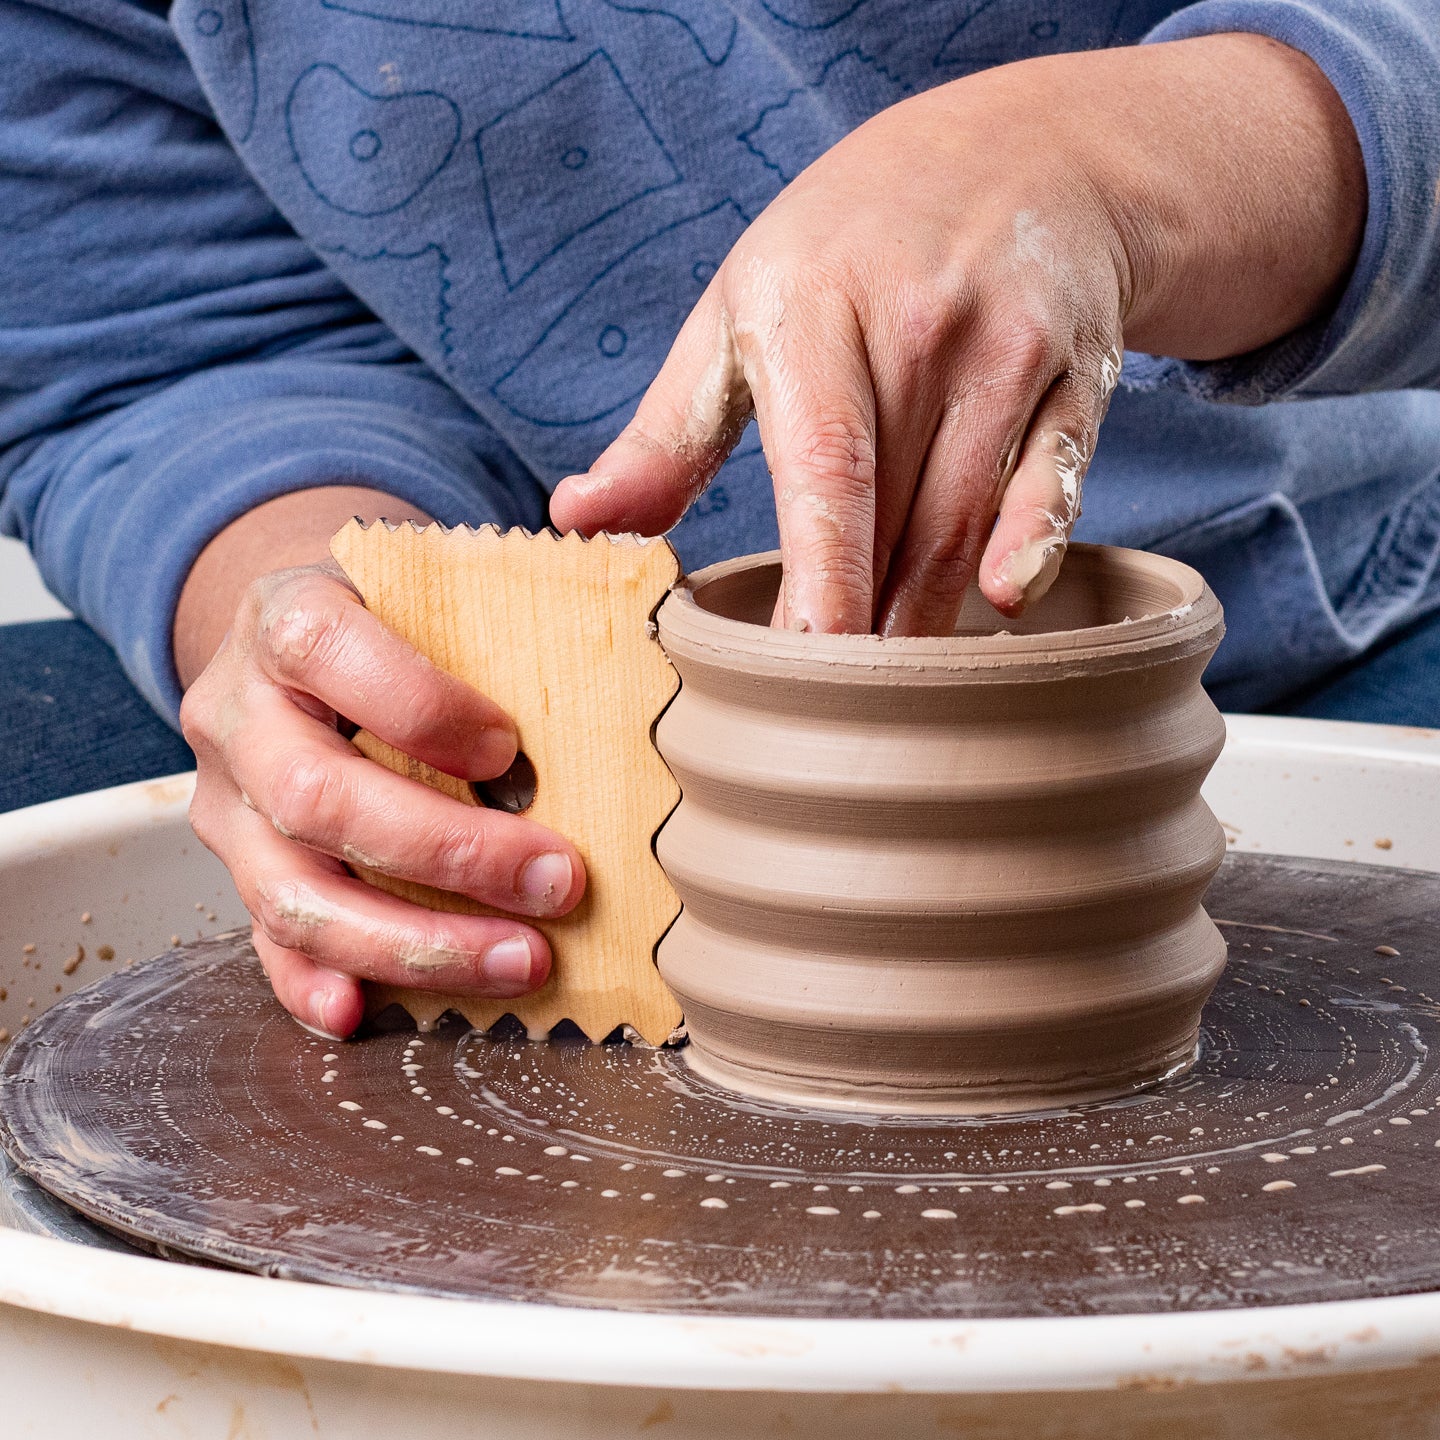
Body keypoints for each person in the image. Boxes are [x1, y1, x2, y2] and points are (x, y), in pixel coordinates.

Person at [2, 0, 1437, 1038]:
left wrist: (1118, 164)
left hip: (1305, 611)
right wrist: (325, 615)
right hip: (574, 742)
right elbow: (165, 332)